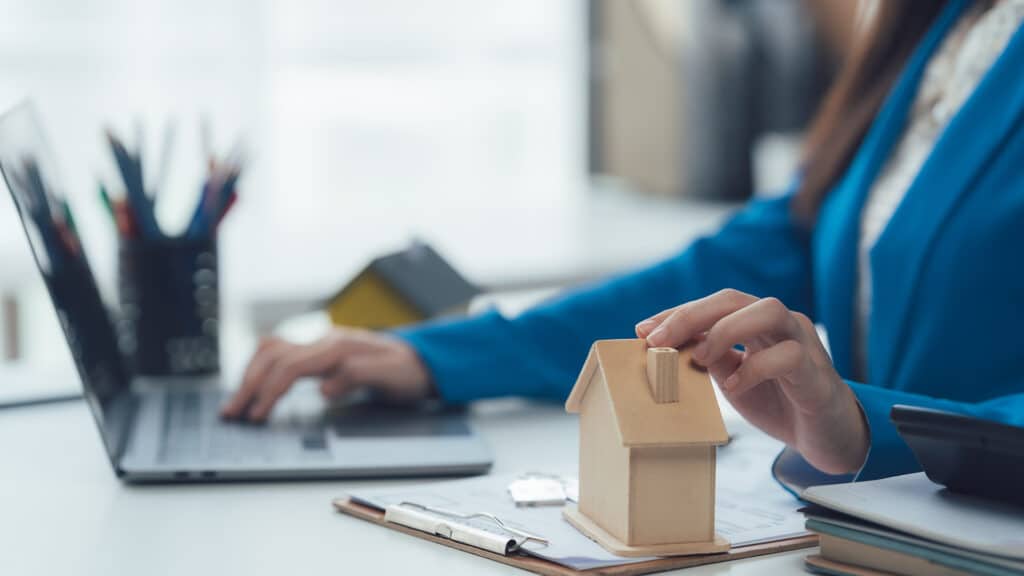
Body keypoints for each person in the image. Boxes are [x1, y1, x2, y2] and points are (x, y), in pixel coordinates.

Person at [223, 0, 1024, 487]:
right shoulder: (945, 33)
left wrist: (862, 425)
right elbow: (713, 280)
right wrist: (438, 357)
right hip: (869, 541)